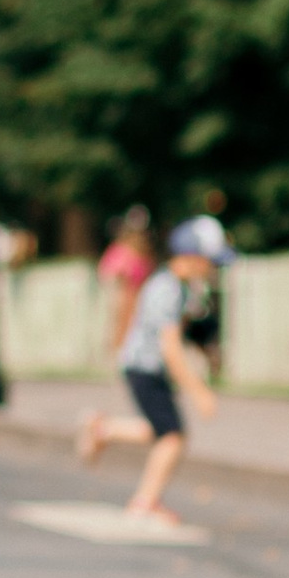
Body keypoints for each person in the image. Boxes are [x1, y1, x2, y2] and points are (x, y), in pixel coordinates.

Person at [75, 220, 230, 526]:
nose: (213, 269)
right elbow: (170, 348)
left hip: (144, 368)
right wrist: (198, 391)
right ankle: (145, 500)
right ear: (193, 257)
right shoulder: (166, 289)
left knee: (157, 430)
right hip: (145, 368)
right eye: (210, 261)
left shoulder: (181, 288)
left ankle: (102, 429)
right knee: (172, 436)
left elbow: (186, 333)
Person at [97, 204, 156, 358]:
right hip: (123, 291)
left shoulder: (144, 252)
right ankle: (116, 353)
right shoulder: (119, 250)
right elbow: (108, 273)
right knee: (119, 322)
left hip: (136, 293)